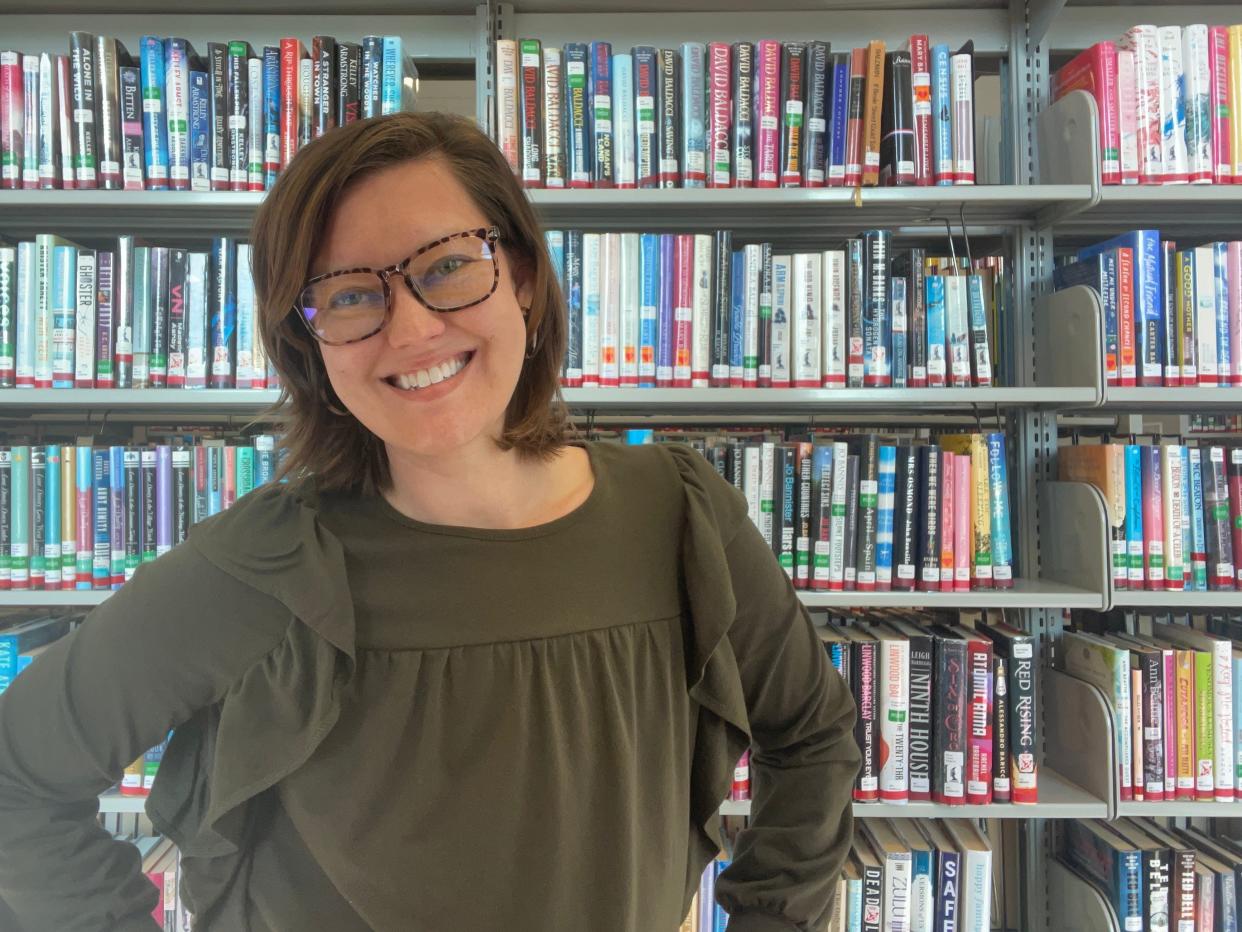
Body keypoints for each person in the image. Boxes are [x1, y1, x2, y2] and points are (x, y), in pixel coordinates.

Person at [0, 111, 859, 932]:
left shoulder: (678, 518)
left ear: (521, 276)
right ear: (312, 344)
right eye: (346, 295)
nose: (409, 326)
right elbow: (17, 779)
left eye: (446, 266)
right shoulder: (261, 568)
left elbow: (814, 734)